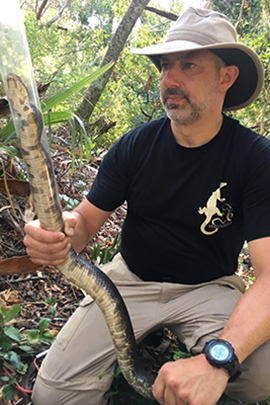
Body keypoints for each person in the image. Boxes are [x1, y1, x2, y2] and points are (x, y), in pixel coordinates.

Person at [24, 7, 270, 405]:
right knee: (53, 395)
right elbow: (84, 223)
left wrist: (218, 361)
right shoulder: (135, 145)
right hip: (128, 281)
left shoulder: (257, 159)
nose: (169, 79)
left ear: (227, 77)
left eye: (188, 65)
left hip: (208, 288)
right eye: (164, 66)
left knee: (261, 372)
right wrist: (61, 231)